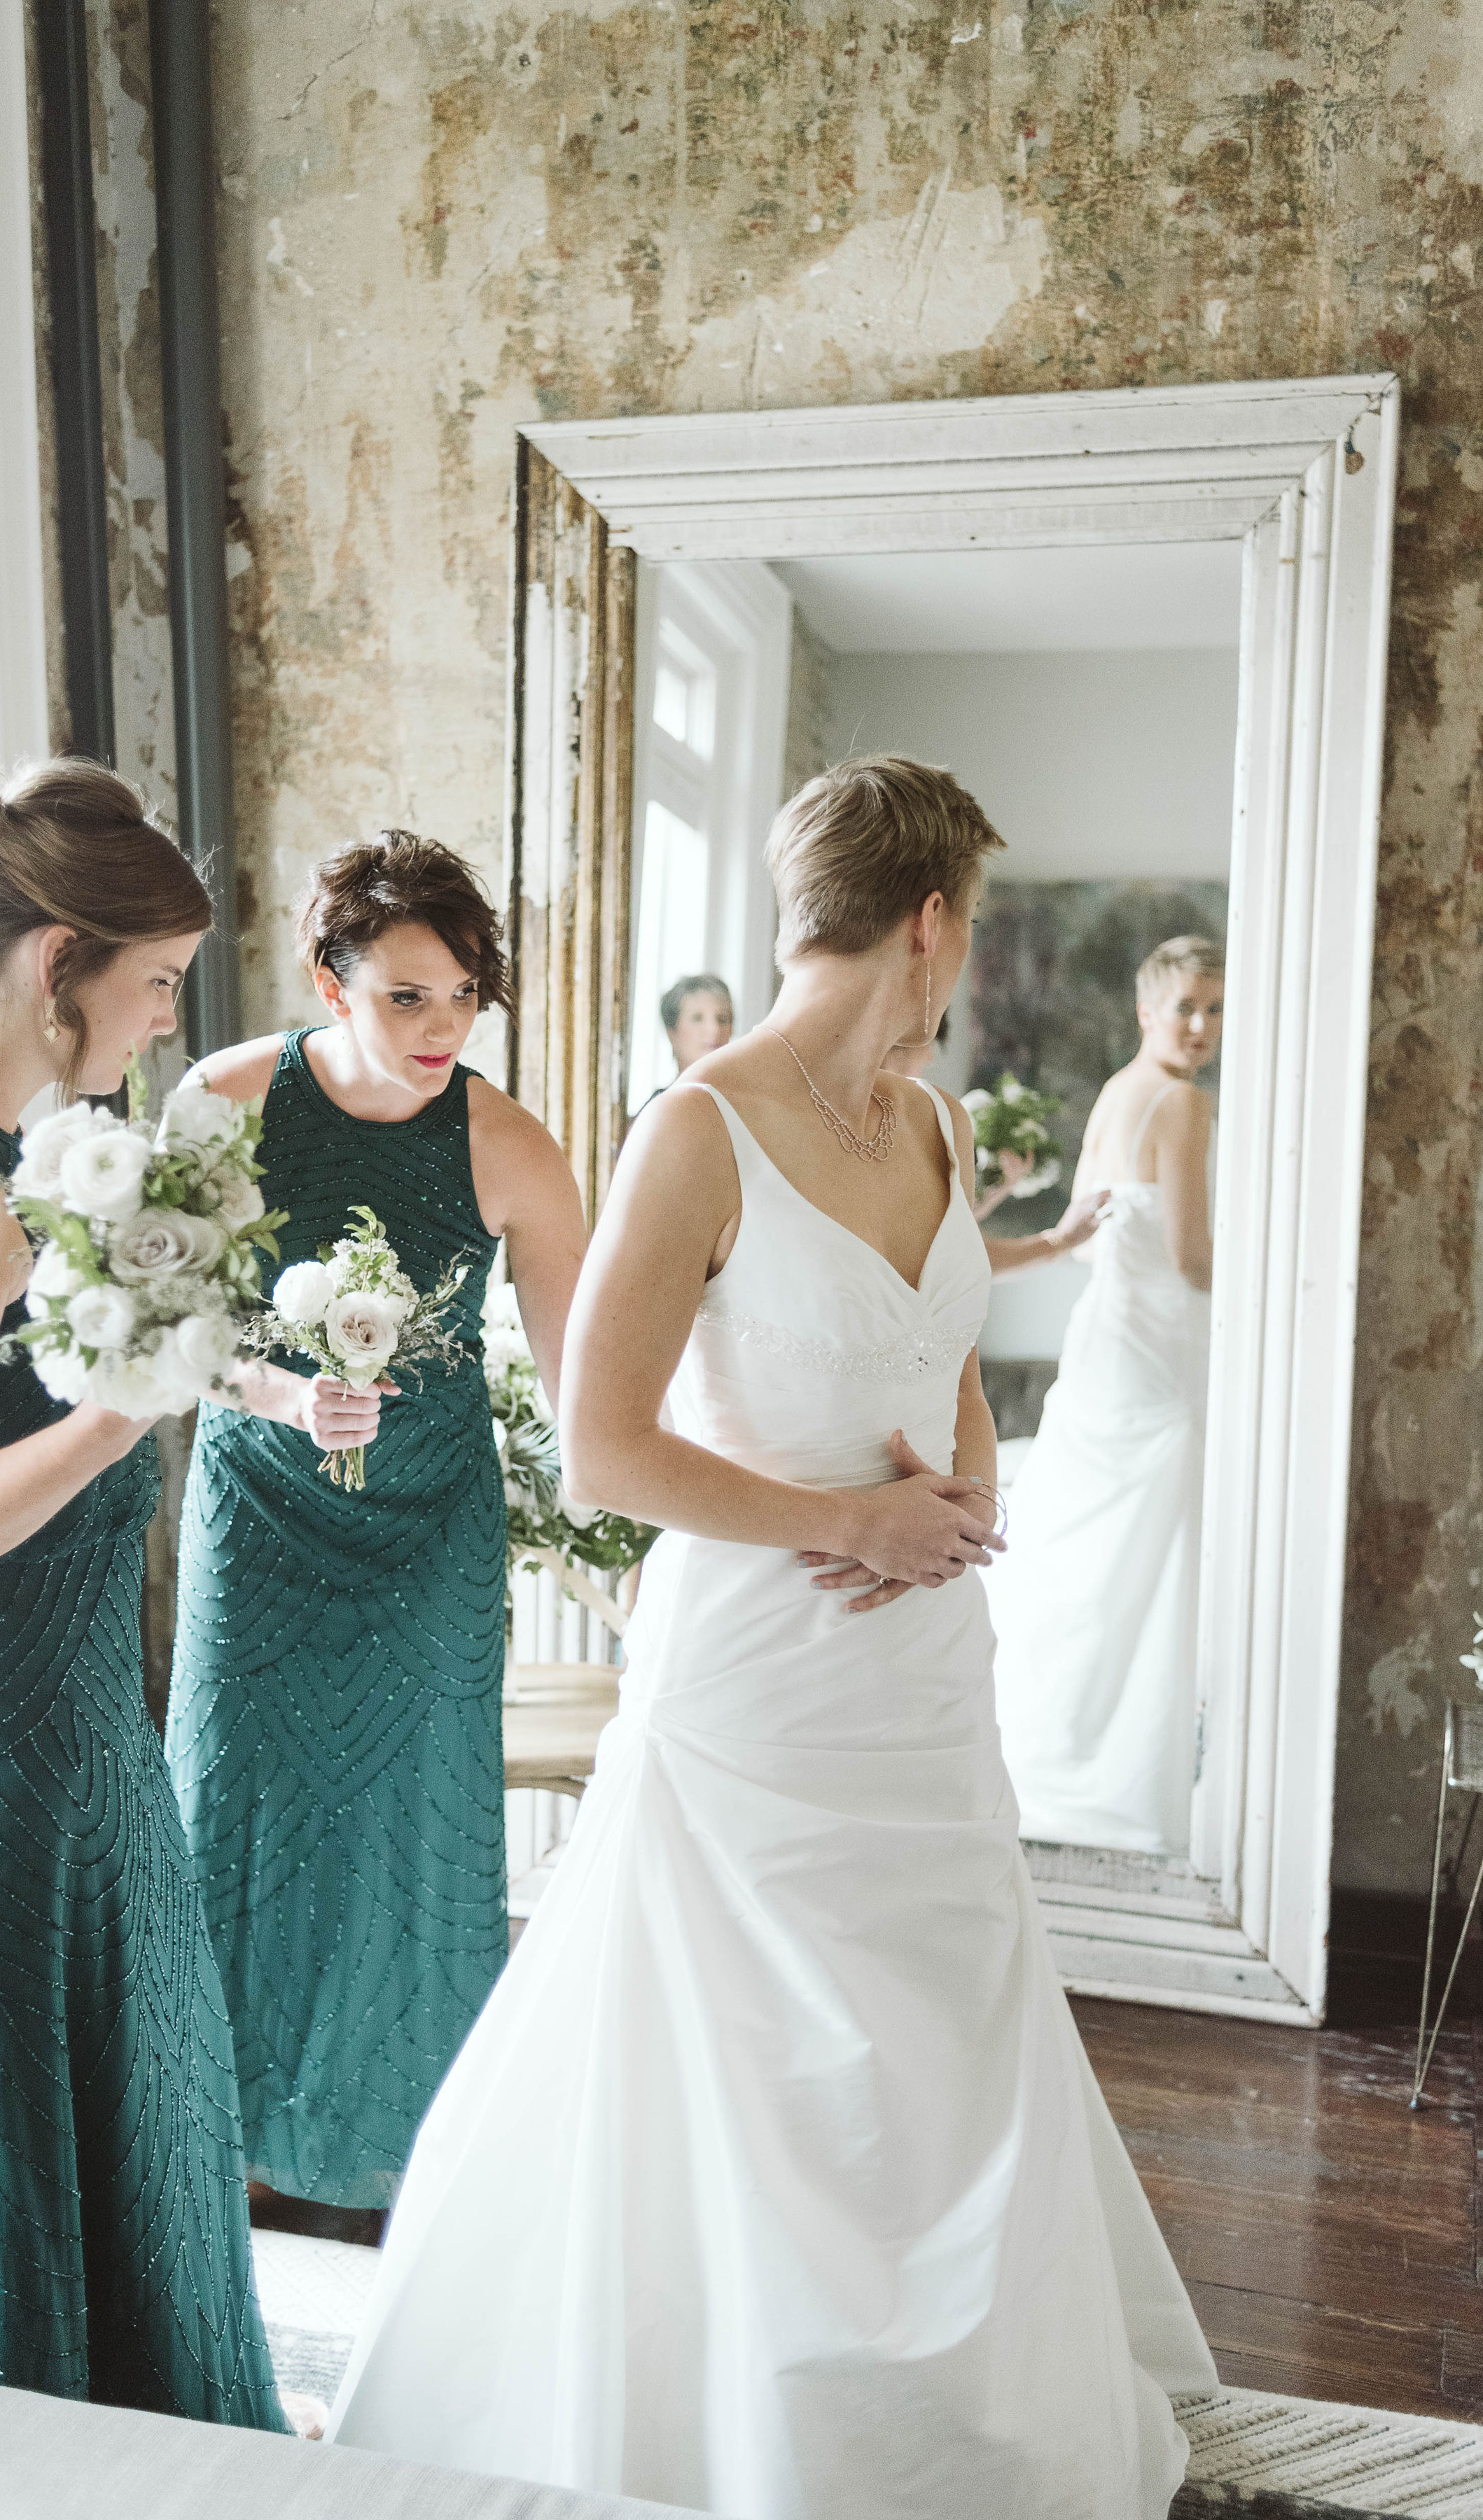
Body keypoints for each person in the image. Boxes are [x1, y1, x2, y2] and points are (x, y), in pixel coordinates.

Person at [323, 759, 1215, 2514]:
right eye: (957, 936)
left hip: (921, 1663)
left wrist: (954, 1497)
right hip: (757, 1670)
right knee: (742, 2065)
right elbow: (607, 1443)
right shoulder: (696, 1129)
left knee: (943, 2033)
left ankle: (966, 2409)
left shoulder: (938, 1122)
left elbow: (947, 1347)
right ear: (931, 920)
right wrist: (851, 1520)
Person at [0, 761, 284, 2422]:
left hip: (74, 1755)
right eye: (154, 984)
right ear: (56, 960)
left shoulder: (29, 1150)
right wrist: (117, 1420)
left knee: (140, 2176)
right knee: (27, 2239)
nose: (162, 1022)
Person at [165, 831, 585, 2224]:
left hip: (430, 1531)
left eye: (464, 996)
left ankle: (413, 2150)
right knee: (234, 1806)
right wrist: (279, 1394)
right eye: (407, 996)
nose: (441, 1028)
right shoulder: (224, 1101)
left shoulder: (513, 1147)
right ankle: (205, 2149)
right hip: (261, 1511)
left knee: (414, 1826)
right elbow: (168, 1331)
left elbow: (594, 1382)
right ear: (328, 975)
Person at [982, 936, 1224, 1857]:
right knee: (1140, 1552)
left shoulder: (1118, 1092)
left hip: (1107, 1337)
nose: (1200, 1027)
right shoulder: (1181, 1103)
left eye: (1213, 1009)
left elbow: (1080, 1239)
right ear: (1144, 1010)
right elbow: (1194, 1259)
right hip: (1156, 1348)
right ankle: (1109, 1773)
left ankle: (1051, 1751)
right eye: (1186, 1008)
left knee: (1097, 1551)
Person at [886, 1017, 1109, 1273]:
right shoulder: (902, 1132)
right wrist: (1060, 1241)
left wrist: (996, 1190)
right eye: (928, 1043)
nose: (930, 1059)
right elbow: (952, 1256)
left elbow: (932, 1234)